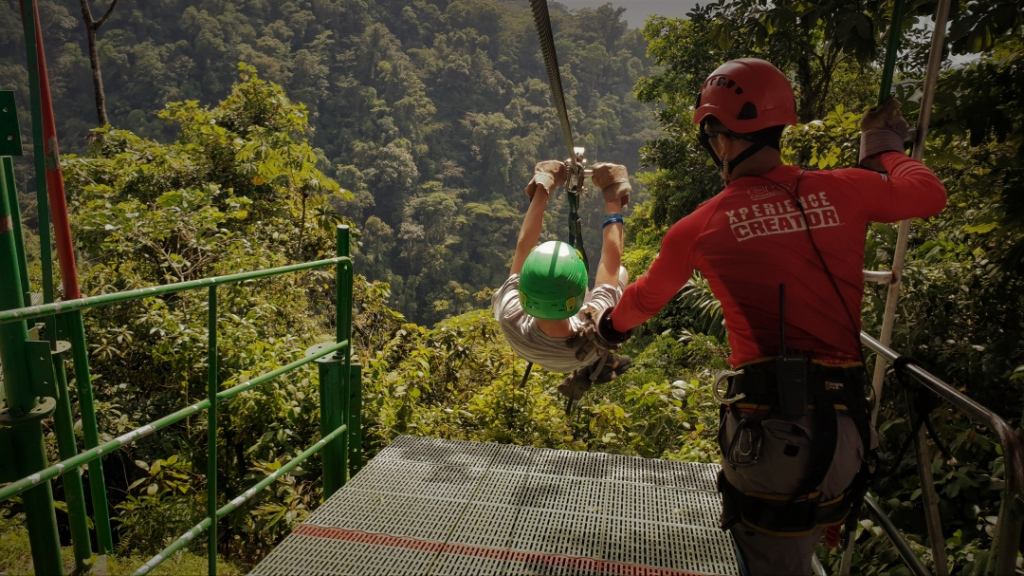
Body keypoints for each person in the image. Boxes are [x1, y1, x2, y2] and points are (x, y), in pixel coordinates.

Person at [592, 58, 946, 575]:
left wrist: (607, 327)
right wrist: (885, 148)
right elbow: (928, 194)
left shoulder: (700, 225)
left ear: (719, 136)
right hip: (850, 437)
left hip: (772, 442)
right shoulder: (846, 188)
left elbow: (644, 299)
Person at [491, 160, 632, 401]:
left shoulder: (510, 314)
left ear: (525, 293)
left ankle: (597, 364)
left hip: (534, 349)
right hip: (583, 353)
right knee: (621, 273)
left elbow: (524, 247)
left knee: (609, 284)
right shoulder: (593, 324)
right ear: (579, 300)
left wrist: (544, 183)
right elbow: (612, 262)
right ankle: (601, 365)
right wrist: (613, 193)